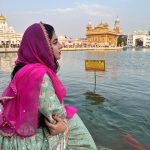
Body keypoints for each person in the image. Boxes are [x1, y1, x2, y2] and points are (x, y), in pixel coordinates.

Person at [0, 22, 97, 150]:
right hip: (25, 141)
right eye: (55, 42)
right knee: (75, 127)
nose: (61, 46)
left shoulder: (23, 69)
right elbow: (55, 118)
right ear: (42, 47)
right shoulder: (39, 75)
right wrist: (64, 127)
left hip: (14, 128)